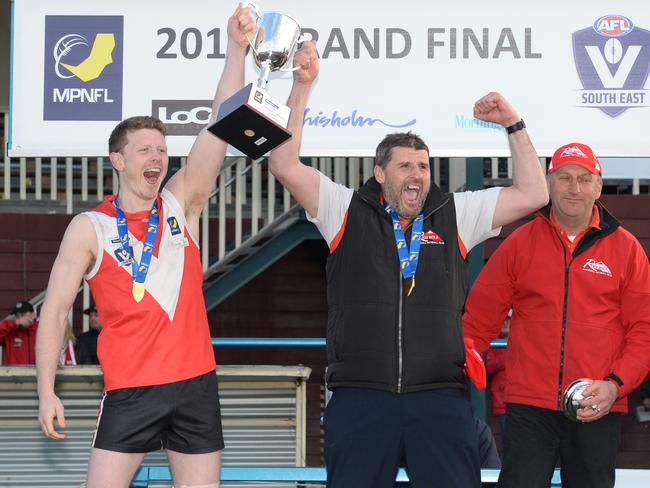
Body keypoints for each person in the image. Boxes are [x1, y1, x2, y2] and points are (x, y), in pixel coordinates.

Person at [266, 40, 548, 488]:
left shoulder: (456, 213)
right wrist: (302, 86)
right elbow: (283, 162)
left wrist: (513, 124)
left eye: (423, 166)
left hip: (438, 398)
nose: (416, 174)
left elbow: (535, 194)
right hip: (361, 395)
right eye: (404, 167)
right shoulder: (345, 208)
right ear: (380, 173)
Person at [36, 5, 256, 487]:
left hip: (195, 384)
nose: (157, 157)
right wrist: (46, 390)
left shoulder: (182, 203)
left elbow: (221, 124)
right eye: (145, 150)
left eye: (162, 149)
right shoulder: (89, 227)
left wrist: (235, 50)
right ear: (118, 159)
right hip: (130, 390)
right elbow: (53, 312)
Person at [462, 142, 650, 488]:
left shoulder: (627, 250)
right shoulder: (520, 243)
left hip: (598, 403)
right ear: (549, 183)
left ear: (598, 186)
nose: (574, 188)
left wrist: (615, 386)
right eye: (564, 178)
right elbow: (477, 320)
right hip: (528, 405)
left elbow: (644, 331)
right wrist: (453, 371)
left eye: (583, 178)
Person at [486, 310, 510, 436]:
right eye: (503, 319)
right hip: (502, 403)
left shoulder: (522, 340)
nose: (505, 323)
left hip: (521, 401)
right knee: (507, 442)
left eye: (508, 319)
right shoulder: (494, 342)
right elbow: (490, 366)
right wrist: (509, 355)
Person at [0, 301, 38, 365]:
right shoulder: (10, 332)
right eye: (17, 316)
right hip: (14, 374)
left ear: (33, 315)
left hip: (38, 374)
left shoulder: (42, 330)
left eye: (23, 315)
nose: (20, 319)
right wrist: (14, 323)